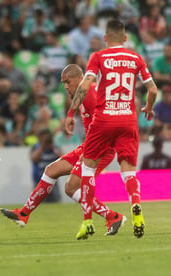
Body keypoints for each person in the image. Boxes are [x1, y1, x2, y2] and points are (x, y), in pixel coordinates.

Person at [1, 64, 125, 236]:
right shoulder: (83, 94)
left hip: (100, 148)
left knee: (71, 188)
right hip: (89, 145)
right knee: (51, 170)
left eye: (68, 82)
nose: (65, 86)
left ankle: (112, 216)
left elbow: (106, 125)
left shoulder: (90, 95)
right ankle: (23, 214)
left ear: (79, 79)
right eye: (63, 83)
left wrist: (89, 152)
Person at [65, 19, 157, 240]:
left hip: (103, 119)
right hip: (128, 119)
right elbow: (152, 89)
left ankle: (87, 221)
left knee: (87, 169)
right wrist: (149, 107)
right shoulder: (136, 58)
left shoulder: (98, 57)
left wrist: (71, 113)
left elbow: (85, 85)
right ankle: (135, 205)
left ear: (106, 38)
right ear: (125, 38)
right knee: (128, 171)